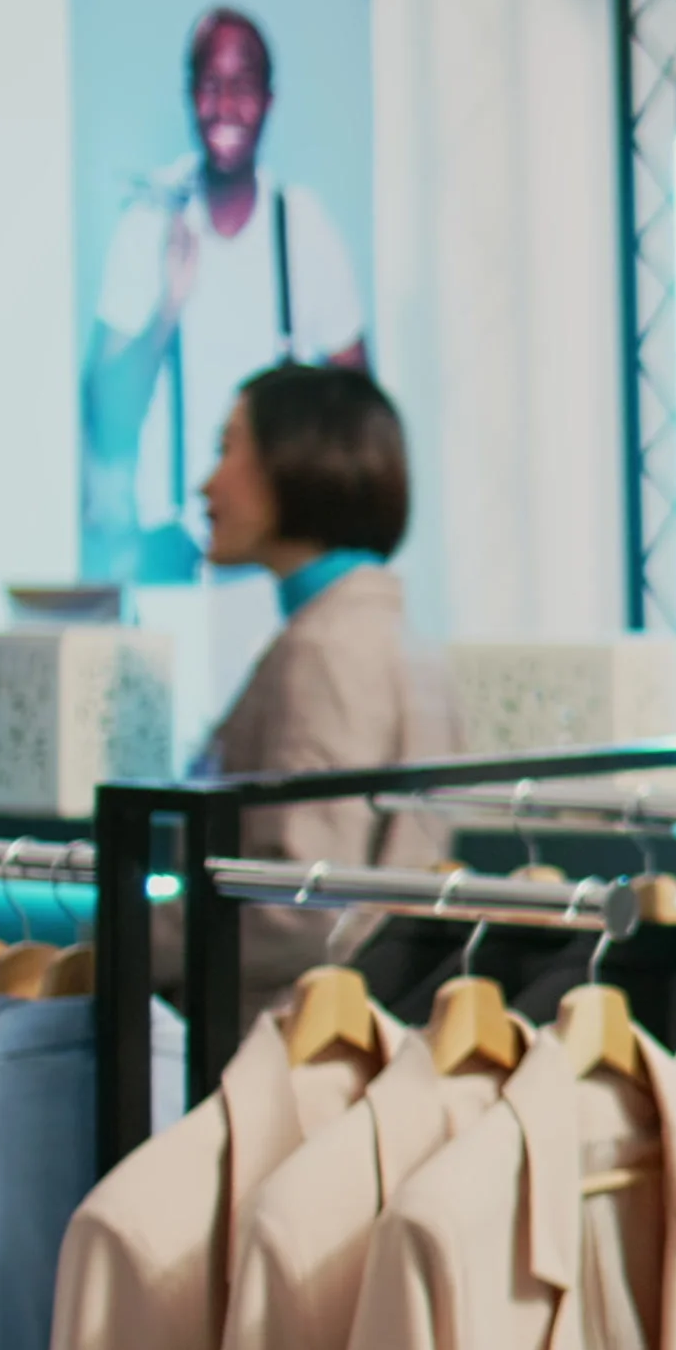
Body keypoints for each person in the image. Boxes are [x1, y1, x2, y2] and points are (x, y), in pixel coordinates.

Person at [160, 364, 457, 999]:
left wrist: (110, 943)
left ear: (296, 460)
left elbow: (297, 910)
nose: (206, 483)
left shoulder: (325, 650)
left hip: (277, 1032)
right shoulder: (391, 636)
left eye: (227, 447)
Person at [82, 7, 371, 584]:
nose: (225, 107)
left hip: (280, 554)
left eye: (242, 86)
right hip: (169, 554)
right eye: (210, 86)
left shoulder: (304, 226)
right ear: (190, 95)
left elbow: (359, 417)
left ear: (268, 99)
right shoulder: (150, 222)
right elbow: (103, 410)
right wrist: (169, 305)